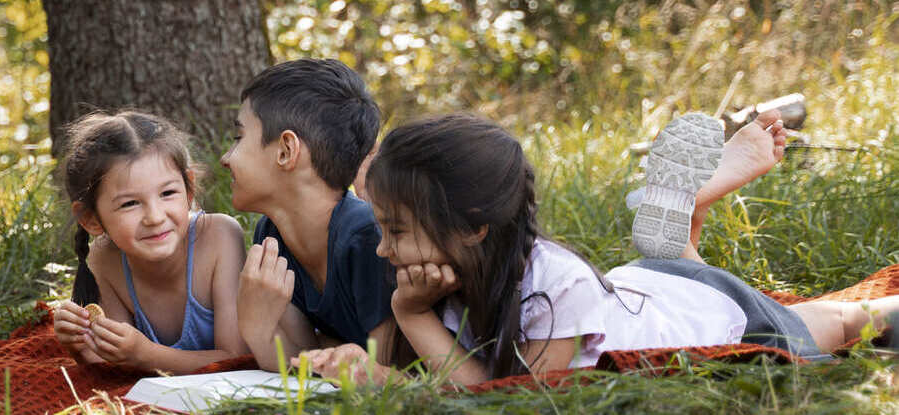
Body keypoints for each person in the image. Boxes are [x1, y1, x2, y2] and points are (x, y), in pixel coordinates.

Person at [298, 111, 899, 385]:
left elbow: (502, 399)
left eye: (396, 231)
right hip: (644, 285)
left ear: (474, 227)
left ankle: (684, 222)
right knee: (673, 278)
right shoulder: (453, 269)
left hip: (717, 315)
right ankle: (682, 220)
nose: (382, 250)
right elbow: (437, 371)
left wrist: (409, 317)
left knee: (847, 322)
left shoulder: (553, 286)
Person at [222, 58, 396, 371]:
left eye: (239, 138)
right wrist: (255, 327)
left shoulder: (366, 237)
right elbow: (302, 363)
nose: (225, 158)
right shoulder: (272, 233)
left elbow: (379, 376)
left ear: (286, 150)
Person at [51, 111, 248, 374]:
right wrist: (81, 344)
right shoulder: (106, 258)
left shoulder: (219, 238)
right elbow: (117, 365)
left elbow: (236, 360)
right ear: (91, 218)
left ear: (188, 189)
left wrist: (145, 354)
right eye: (130, 203)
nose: (155, 217)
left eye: (167, 193)